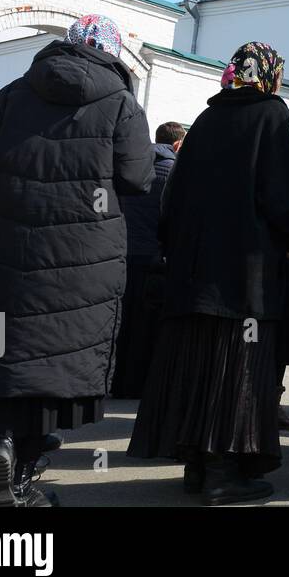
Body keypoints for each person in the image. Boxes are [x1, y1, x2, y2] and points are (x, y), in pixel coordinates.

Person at [0, 14, 153, 506]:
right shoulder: (121, 103)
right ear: (109, 50)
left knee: (5, 347)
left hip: (7, 243)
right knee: (56, 357)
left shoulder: (10, 95)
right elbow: (135, 178)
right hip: (83, 253)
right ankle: (22, 474)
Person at [128, 42, 289, 505]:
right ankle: (222, 472)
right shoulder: (271, 115)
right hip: (246, 278)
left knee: (197, 368)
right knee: (235, 372)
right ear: (271, 75)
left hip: (194, 275)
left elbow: (171, 202)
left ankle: (197, 466)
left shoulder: (204, 122)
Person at [112, 121, 184, 399]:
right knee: (147, 326)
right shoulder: (173, 171)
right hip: (154, 258)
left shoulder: (135, 166)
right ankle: (139, 384)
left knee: (123, 322)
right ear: (177, 145)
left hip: (124, 253)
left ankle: (117, 380)